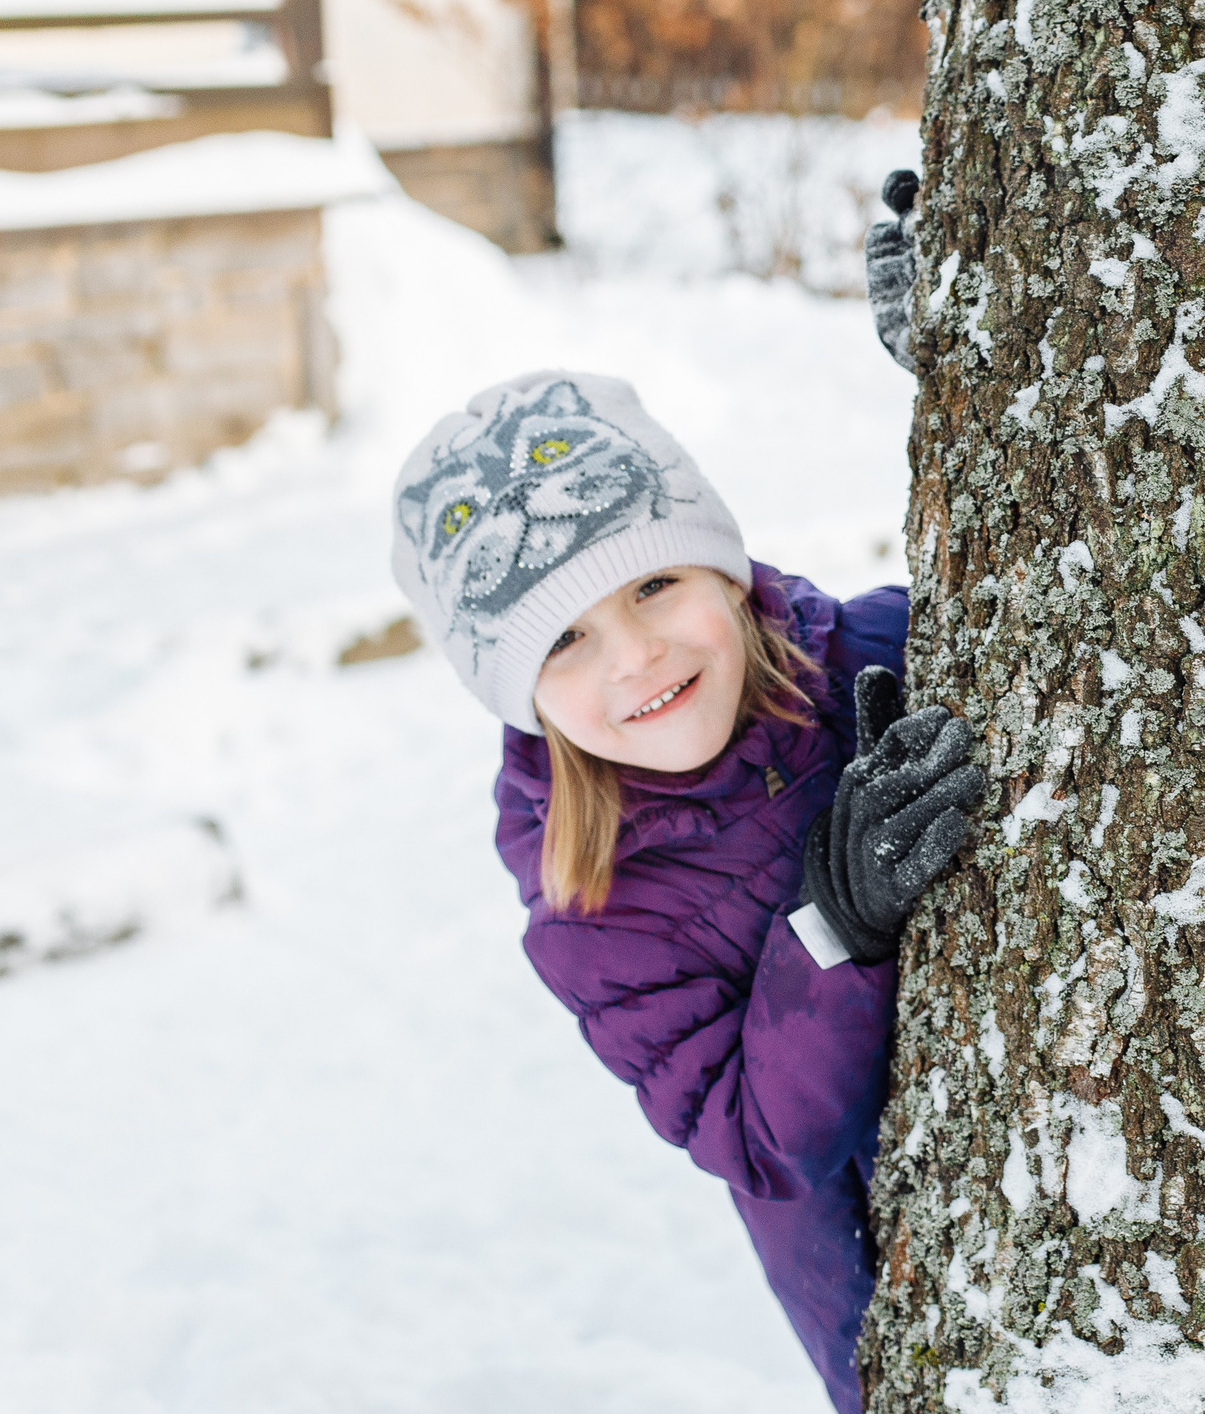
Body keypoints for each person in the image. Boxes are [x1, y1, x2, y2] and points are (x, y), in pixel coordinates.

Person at [387, 370, 984, 1412]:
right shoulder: (596, 913)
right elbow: (753, 1137)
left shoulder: (873, 652)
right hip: (897, 1285)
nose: (637, 655)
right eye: (564, 639)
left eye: (653, 584)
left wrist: (951, 351)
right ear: (521, 696)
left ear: (725, 569)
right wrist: (833, 925)